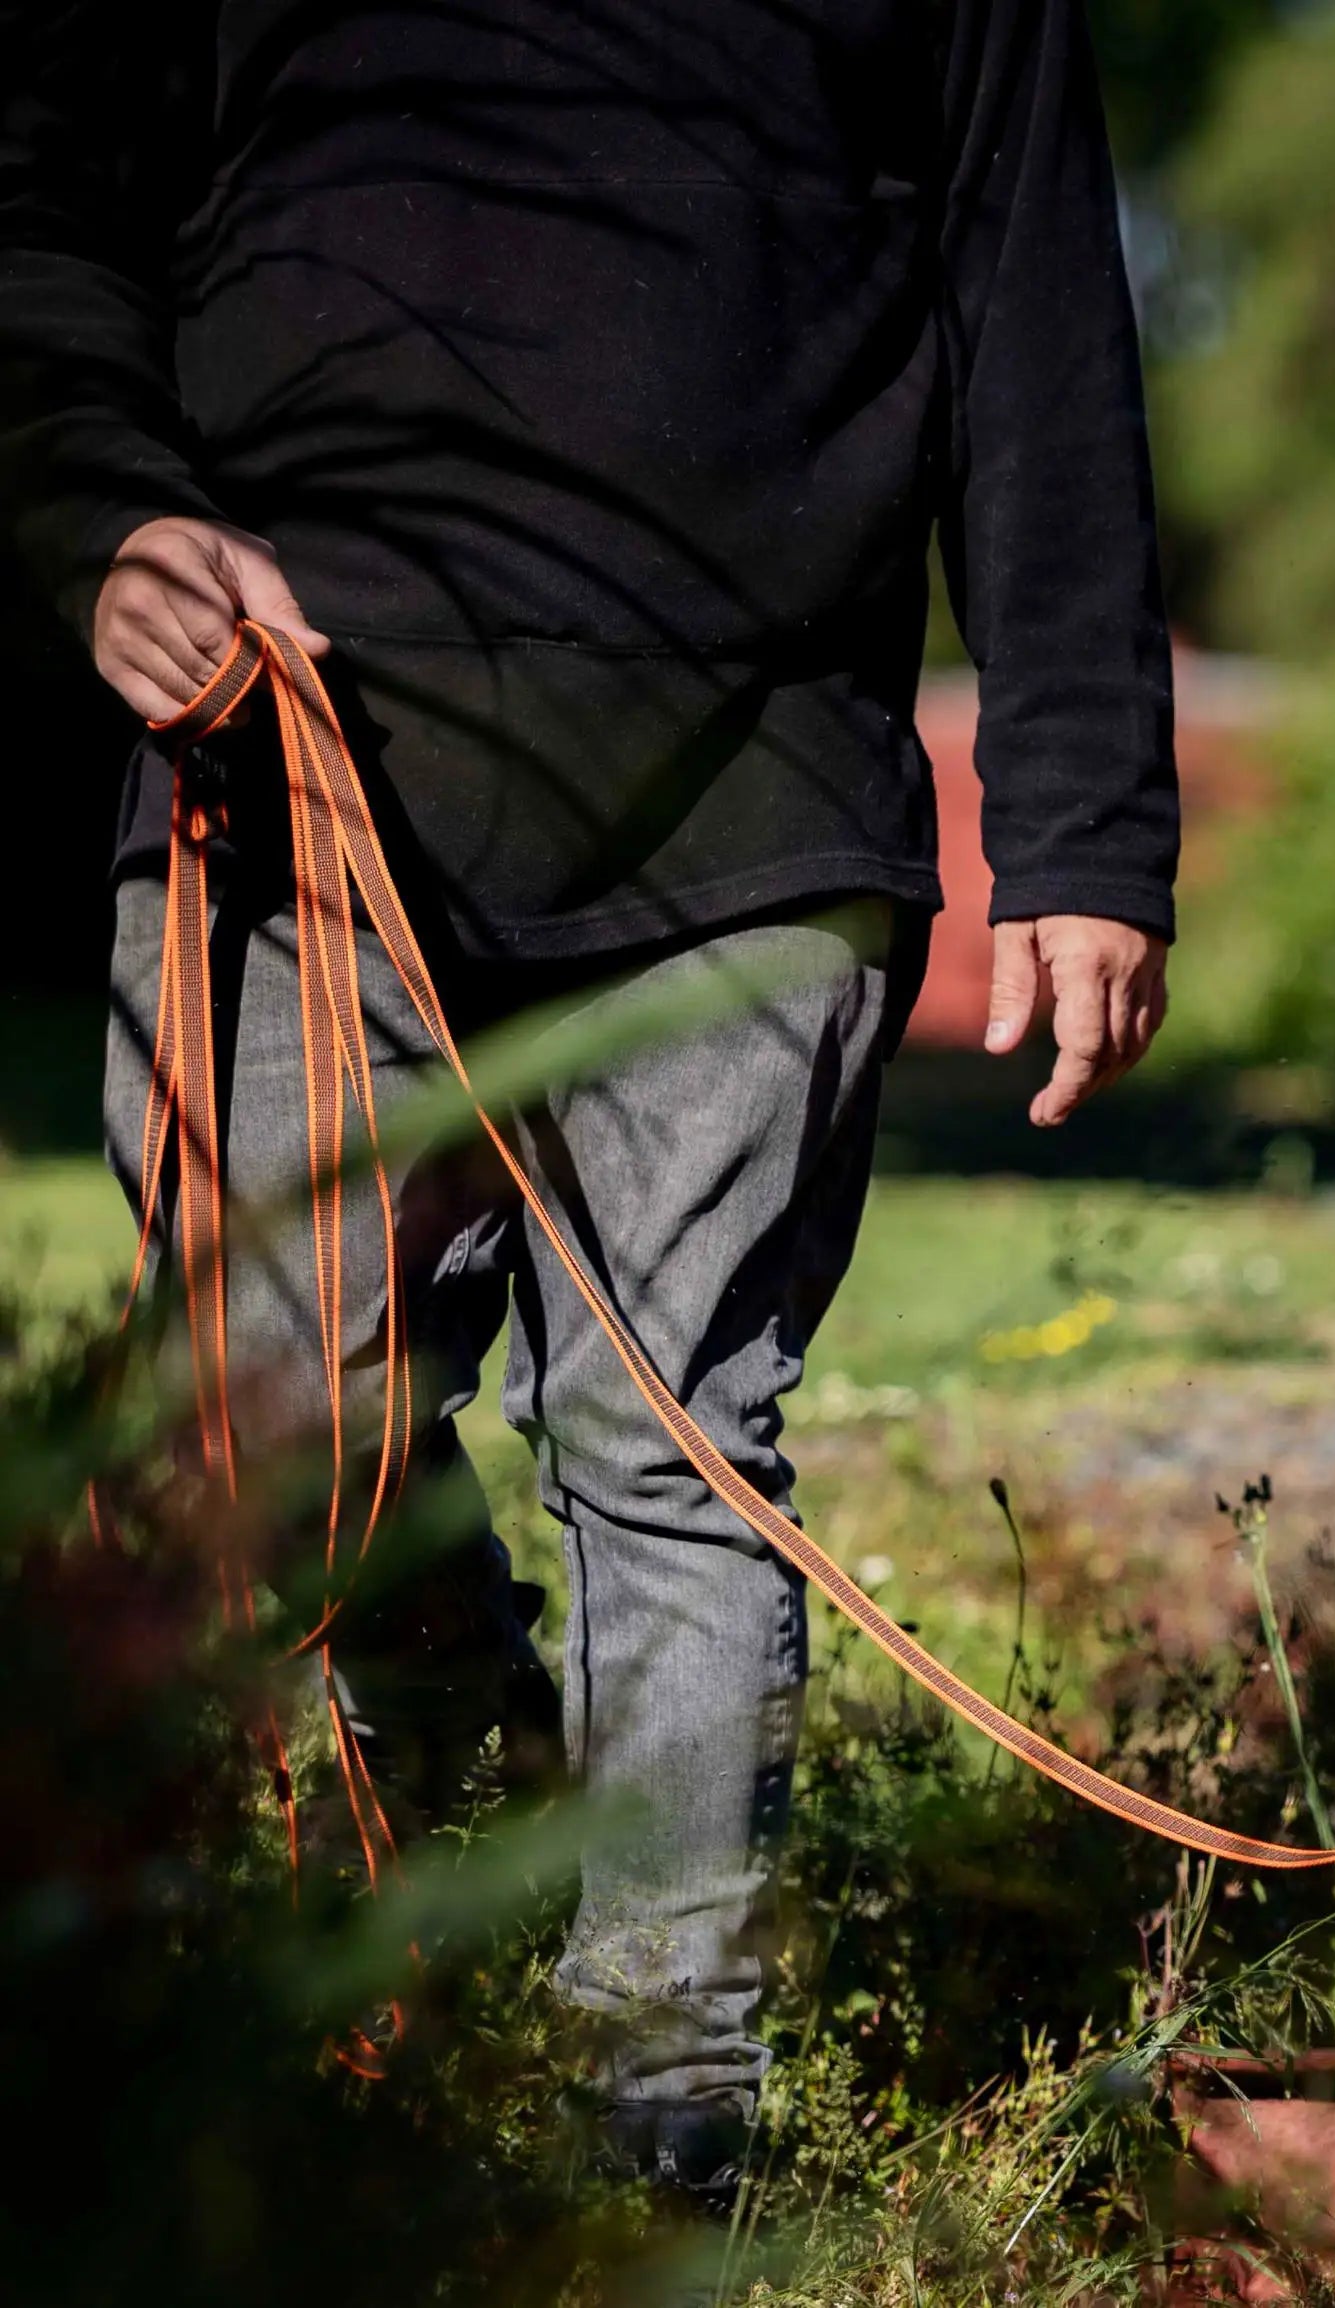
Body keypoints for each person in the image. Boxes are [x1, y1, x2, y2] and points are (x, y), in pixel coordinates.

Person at [0, 0, 1176, 2198]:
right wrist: (107, 518)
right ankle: (406, 1924)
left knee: (673, 1443)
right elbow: (46, 215)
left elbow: (1035, 325)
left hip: (757, 795)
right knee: (261, 1451)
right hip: (287, 777)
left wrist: (1085, 828)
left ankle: (662, 2114)